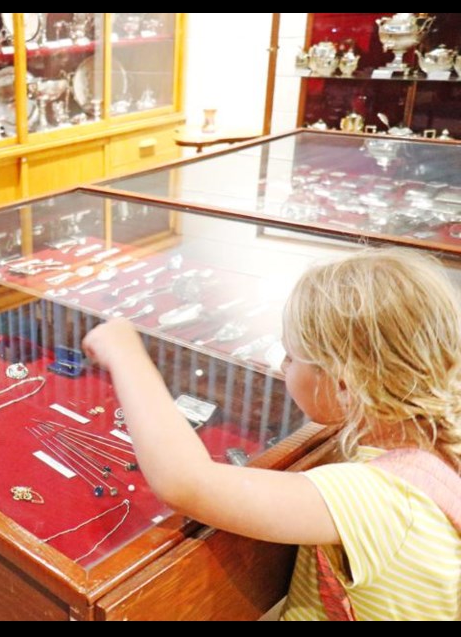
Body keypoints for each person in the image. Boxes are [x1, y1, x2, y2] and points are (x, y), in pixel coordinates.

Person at [82, 248, 461, 621]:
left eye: (292, 357)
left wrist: (126, 353)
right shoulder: (439, 441)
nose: (282, 365)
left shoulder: (380, 500)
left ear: (346, 385)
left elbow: (185, 482)